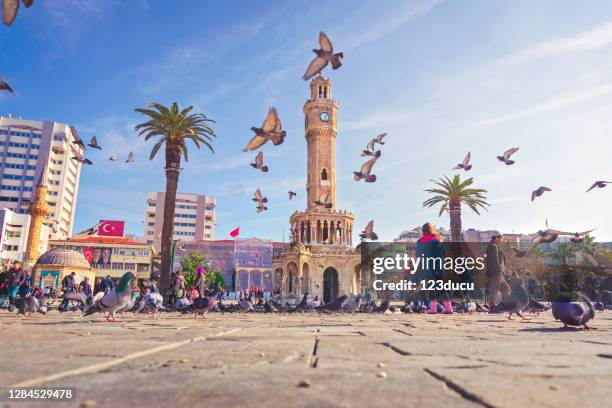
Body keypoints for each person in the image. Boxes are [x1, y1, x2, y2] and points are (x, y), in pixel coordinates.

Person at [415, 223, 445, 314]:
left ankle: (433, 309)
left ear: (423, 231)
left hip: (428, 267)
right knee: (442, 287)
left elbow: (418, 255)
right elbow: (444, 252)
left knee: (432, 287)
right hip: (439, 266)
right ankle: (448, 308)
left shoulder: (421, 241)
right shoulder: (439, 239)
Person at [485, 234, 506, 308]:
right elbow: (495, 259)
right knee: (494, 287)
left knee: (499, 287)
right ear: (496, 237)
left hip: (496, 270)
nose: (501, 240)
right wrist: (499, 269)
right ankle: (492, 304)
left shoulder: (493, 245)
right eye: (500, 238)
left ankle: (493, 303)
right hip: (496, 271)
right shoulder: (493, 246)